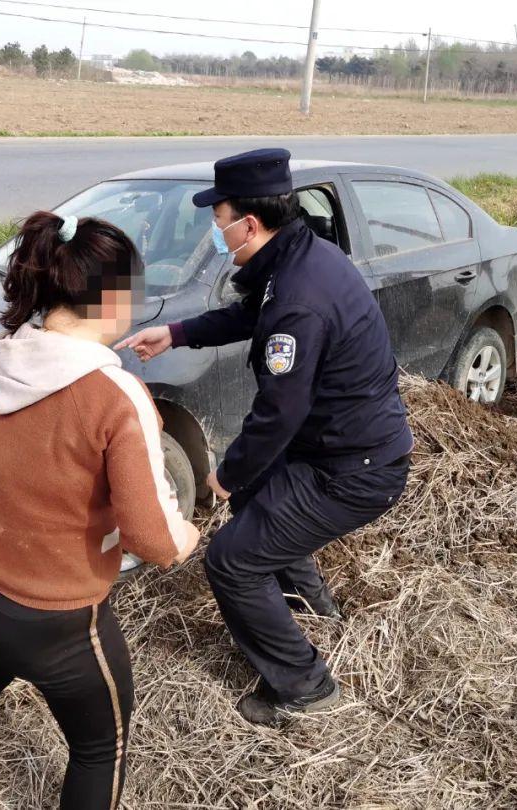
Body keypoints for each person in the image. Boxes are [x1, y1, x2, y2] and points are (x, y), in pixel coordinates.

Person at [116, 149, 414, 726]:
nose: (215, 227)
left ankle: (305, 685)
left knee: (231, 560)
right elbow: (254, 316)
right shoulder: (299, 259)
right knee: (259, 501)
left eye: (218, 217)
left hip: (354, 468)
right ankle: (310, 605)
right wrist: (176, 333)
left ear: (249, 223)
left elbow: (279, 412)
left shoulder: (300, 296)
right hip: (334, 445)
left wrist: (224, 476)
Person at [0, 211, 200, 810]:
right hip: (60, 621)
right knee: (101, 748)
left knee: (1, 638)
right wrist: (188, 534)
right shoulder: (114, 394)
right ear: (112, 300)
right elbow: (153, 540)